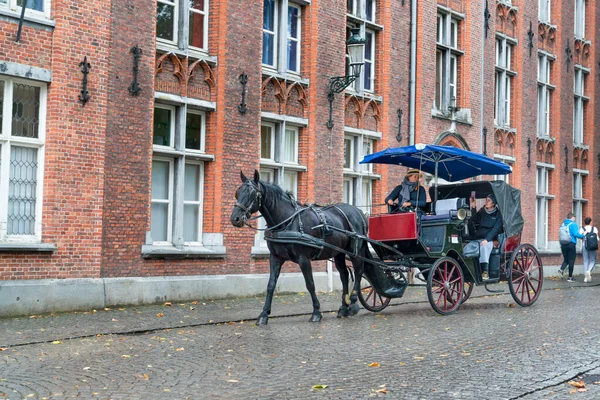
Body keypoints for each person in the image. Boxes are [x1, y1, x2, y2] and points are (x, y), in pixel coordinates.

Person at [469, 193, 503, 280]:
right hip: (479, 238)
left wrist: (487, 239)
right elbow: (474, 219)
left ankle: (485, 272)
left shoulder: (498, 215)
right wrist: (473, 207)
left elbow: (496, 229)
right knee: (468, 247)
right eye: (486, 200)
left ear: (493, 203)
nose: (486, 202)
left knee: (484, 247)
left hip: (492, 240)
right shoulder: (482, 211)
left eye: (488, 200)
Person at [558, 212, 585, 282]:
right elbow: (576, 234)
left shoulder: (563, 224)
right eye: (574, 218)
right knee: (571, 261)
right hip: (571, 244)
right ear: (573, 217)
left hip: (563, 244)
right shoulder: (573, 224)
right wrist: (583, 235)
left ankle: (561, 269)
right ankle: (570, 277)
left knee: (566, 259)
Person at [579, 217, 597, 283]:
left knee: (585, 261)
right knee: (592, 260)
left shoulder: (582, 229)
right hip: (592, 246)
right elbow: (597, 238)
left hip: (585, 246)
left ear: (584, 222)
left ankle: (585, 278)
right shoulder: (594, 229)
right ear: (590, 222)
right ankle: (589, 271)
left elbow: (580, 237)